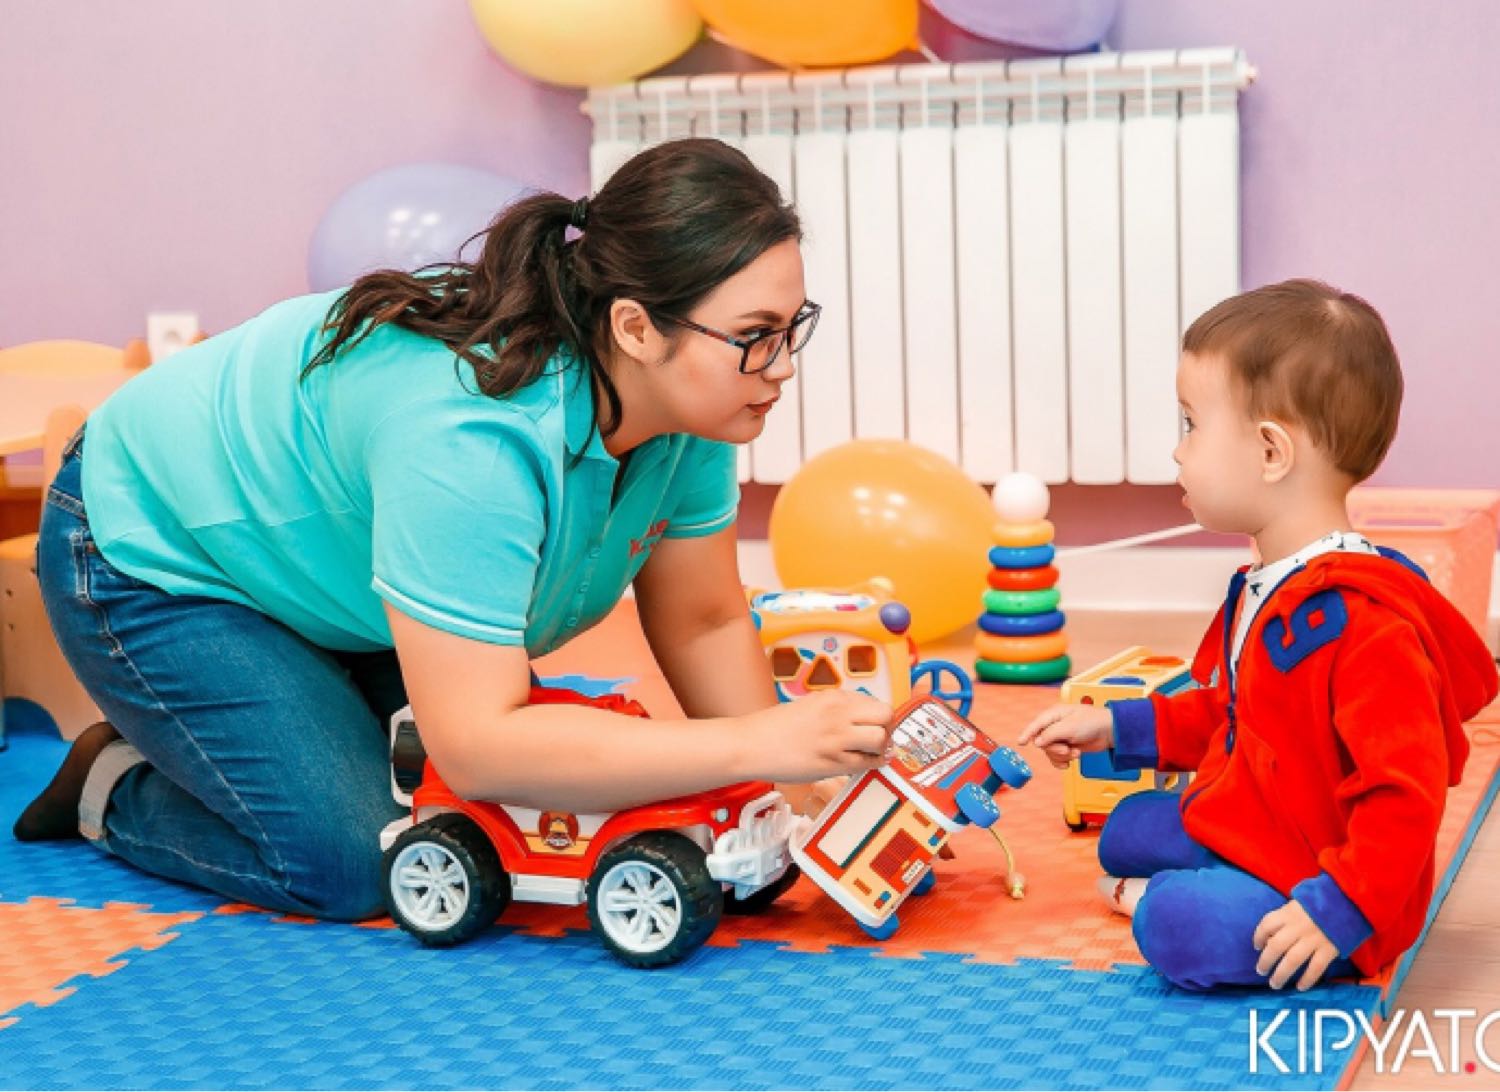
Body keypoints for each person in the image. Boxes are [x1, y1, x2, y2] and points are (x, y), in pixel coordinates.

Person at [13, 138, 894, 920]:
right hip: (156, 553)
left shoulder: (694, 407)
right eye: (755, 335)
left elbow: (702, 618)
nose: (779, 368)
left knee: (508, 803)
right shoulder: (471, 434)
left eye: (790, 330)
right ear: (634, 326)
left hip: (329, 577)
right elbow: (479, 745)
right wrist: (758, 742)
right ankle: (111, 780)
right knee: (359, 861)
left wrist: (795, 786)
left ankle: (255, 724)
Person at [1019, 279, 1498, 991]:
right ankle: (1210, 876)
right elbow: (1237, 716)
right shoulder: (1267, 585)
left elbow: (1405, 794)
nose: (1179, 452)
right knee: (1127, 833)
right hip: (1267, 818)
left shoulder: (1367, 622)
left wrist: (1338, 910)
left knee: (1174, 926)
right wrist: (1113, 726)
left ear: (1272, 453)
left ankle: (1209, 902)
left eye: (1191, 425)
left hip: (1335, 886)